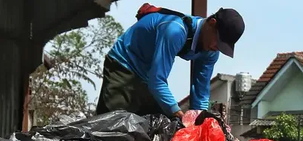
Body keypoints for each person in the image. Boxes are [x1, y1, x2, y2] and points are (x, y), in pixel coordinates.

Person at [96, 4, 245, 118]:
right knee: (111, 125)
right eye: (218, 42)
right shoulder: (175, 30)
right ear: (211, 23)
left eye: (222, 47)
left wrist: (198, 122)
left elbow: (201, 94)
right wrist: (177, 112)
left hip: (148, 76)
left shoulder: (211, 52)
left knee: (153, 130)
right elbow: (157, 80)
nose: (216, 48)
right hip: (124, 64)